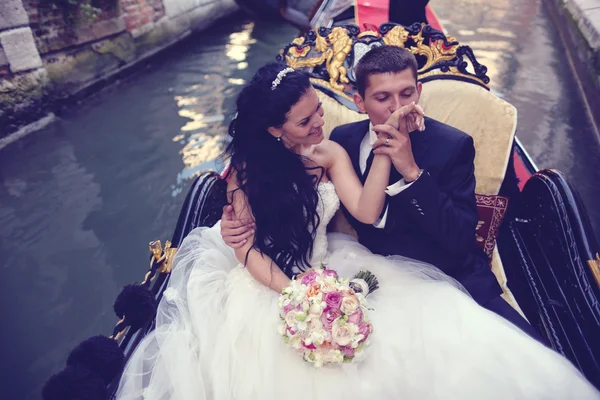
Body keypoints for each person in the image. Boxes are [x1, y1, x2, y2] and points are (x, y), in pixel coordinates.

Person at [116, 62, 599, 399]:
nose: (318, 124)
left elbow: (366, 212)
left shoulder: (328, 153)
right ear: (273, 131)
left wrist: (389, 150)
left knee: (424, 336)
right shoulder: (244, 171)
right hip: (261, 276)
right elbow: (243, 246)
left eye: (319, 113)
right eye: (305, 120)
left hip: (329, 263)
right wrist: (300, 295)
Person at [223, 45, 538, 340]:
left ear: (419, 92)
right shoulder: (343, 138)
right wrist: (299, 294)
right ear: (359, 103)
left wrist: (410, 169)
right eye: (383, 97)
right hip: (343, 276)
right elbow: (249, 238)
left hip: (445, 273)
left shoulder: (451, 146)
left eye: (406, 94)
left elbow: (454, 238)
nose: (397, 108)